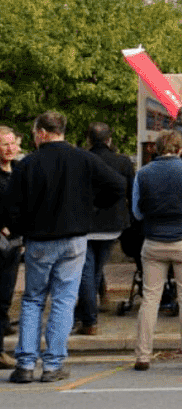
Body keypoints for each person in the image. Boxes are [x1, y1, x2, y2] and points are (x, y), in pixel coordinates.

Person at [2, 112, 126, 384]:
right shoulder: (83, 159)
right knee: (63, 299)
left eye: (35, 133)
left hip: (38, 240)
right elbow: (117, 184)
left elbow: (9, 205)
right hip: (74, 238)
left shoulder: (28, 164)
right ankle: (53, 364)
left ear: (43, 133)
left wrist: (20, 226)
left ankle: (25, 363)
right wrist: (91, 209)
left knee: (33, 299)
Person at [130, 130, 182, 372]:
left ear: (156, 148)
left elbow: (137, 212)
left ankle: (142, 355)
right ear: (180, 149)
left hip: (154, 240)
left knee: (150, 298)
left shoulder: (142, 174)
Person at [74, 123, 135, 336]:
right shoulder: (123, 162)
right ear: (109, 140)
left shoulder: (79, 160)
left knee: (86, 272)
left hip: (85, 224)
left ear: (89, 140)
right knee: (95, 270)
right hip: (112, 225)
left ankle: (88, 318)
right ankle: (87, 315)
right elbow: (130, 190)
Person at [0, 126, 23, 366]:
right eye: (4, 145)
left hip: (14, 245)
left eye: (12, 144)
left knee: (5, 297)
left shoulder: (18, 171)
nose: (9, 149)